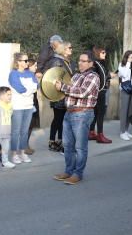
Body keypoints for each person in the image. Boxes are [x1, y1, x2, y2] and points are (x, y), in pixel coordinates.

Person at [52, 53, 101, 185]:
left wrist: (62, 86)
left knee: (80, 147)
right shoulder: (76, 75)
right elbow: (69, 91)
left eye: (84, 61)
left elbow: (82, 92)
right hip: (69, 113)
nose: (80, 63)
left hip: (82, 114)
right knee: (67, 146)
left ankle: (77, 174)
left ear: (91, 63)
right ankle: (68, 171)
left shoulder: (93, 77)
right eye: (79, 60)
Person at [8, 53, 37, 162]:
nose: (27, 63)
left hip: (29, 106)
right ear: (18, 62)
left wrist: (28, 89)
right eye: (25, 61)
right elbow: (20, 89)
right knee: (16, 131)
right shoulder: (13, 74)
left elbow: (36, 87)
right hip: (17, 107)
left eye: (27, 60)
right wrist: (29, 89)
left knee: (25, 131)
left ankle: (23, 152)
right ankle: (15, 154)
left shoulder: (30, 74)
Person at [45, 41, 73, 152]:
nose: (71, 49)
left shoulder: (66, 61)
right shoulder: (57, 61)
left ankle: (60, 141)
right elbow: (53, 77)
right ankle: (52, 142)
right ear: (63, 49)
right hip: (58, 95)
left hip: (65, 94)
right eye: (70, 47)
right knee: (58, 119)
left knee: (62, 119)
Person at [88, 45, 112, 144]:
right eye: (103, 52)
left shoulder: (101, 63)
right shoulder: (95, 64)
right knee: (100, 113)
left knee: (96, 113)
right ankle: (100, 135)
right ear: (98, 53)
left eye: (105, 52)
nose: (105, 54)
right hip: (99, 92)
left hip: (101, 91)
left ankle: (91, 132)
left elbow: (105, 76)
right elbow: (94, 78)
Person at [116, 51, 132, 141]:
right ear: (126, 57)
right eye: (131, 57)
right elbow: (124, 75)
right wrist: (128, 63)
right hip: (125, 90)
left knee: (128, 111)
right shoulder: (122, 65)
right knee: (124, 112)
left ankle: (126, 130)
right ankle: (122, 132)